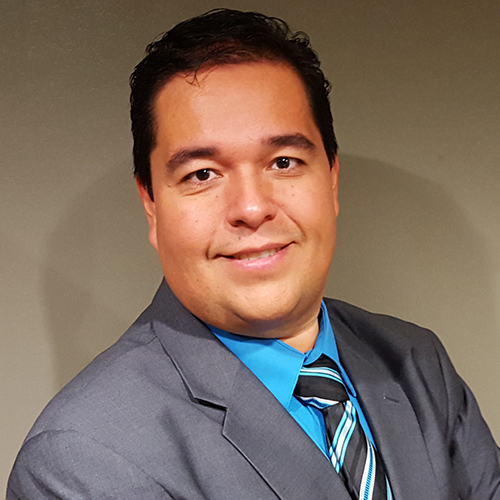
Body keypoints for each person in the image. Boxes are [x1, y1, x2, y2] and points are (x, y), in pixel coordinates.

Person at [7, 8, 500, 500]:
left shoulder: (417, 362)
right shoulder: (82, 460)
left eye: (284, 162)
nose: (251, 208)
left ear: (331, 181)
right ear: (151, 205)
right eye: (202, 174)